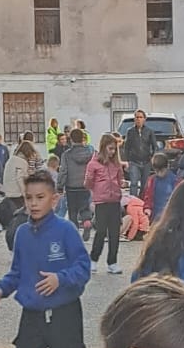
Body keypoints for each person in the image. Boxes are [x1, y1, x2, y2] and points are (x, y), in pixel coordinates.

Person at [0, 169, 92, 348]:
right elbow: (17, 271)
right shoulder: (22, 234)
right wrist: (2, 288)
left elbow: (83, 268)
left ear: (54, 200)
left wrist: (61, 278)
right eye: (29, 198)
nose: (33, 204)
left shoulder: (66, 230)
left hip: (64, 313)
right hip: (33, 315)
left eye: (40, 197)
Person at [84, 132, 126, 275]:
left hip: (115, 201)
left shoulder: (116, 164)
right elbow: (88, 183)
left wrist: (121, 184)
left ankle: (112, 262)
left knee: (115, 233)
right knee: (101, 231)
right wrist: (93, 186)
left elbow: (120, 179)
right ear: (103, 147)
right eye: (110, 148)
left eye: (114, 149)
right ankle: (93, 259)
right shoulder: (93, 164)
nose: (113, 152)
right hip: (101, 202)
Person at [60, 129, 95, 227]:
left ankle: (74, 229)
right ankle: (86, 222)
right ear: (82, 138)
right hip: (85, 185)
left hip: (71, 187)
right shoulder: (90, 153)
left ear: (71, 139)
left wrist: (59, 185)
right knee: (85, 208)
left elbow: (63, 171)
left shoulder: (66, 155)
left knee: (72, 210)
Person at [142, 152, 180, 226]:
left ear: (167, 166)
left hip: (170, 216)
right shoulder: (152, 180)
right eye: (157, 171)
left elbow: (178, 198)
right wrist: (147, 208)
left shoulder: (175, 180)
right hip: (155, 216)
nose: (159, 174)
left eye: (162, 171)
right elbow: (148, 196)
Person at [123, 110, 155, 197]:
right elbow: (126, 147)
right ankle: (132, 200)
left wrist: (153, 157)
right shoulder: (130, 131)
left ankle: (142, 200)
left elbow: (154, 146)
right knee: (134, 183)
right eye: (137, 117)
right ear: (134, 119)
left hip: (146, 161)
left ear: (144, 119)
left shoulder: (149, 131)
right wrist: (127, 160)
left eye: (141, 117)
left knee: (144, 184)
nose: (138, 119)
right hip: (134, 161)